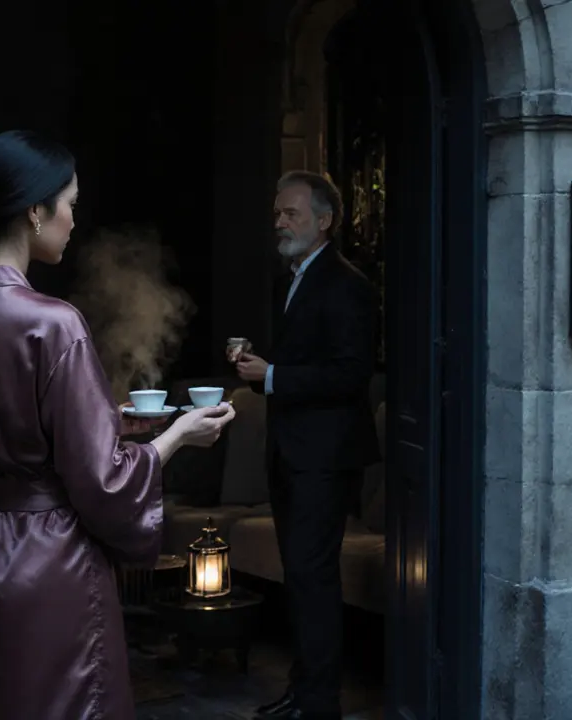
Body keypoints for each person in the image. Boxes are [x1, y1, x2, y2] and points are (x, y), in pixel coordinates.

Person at [0, 129, 237, 719]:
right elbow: (101, 480)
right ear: (36, 211)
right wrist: (176, 436)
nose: (75, 221)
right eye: (72, 205)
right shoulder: (54, 324)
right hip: (50, 565)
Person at [234, 171, 378, 720]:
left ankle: (319, 705)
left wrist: (272, 378)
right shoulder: (291, 278)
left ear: (325, 221)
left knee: (314, 580)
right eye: (277, 213)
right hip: (293, 453)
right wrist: (261, 373)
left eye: (290, 213)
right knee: (301, 577)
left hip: (324, 459)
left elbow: (350, 374)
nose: (279, 222)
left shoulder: (349, 285)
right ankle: (303, 692)